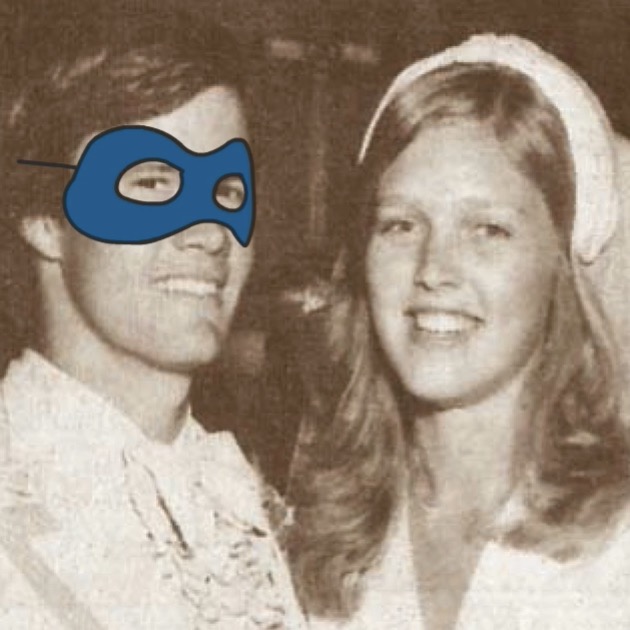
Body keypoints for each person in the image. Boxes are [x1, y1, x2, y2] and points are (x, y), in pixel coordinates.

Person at [287, 34, 630, 630]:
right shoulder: (310, 535)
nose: (434, 270)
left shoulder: (618, 543)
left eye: (487, 229)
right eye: (401, 225)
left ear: (561, 265)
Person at [0, 7, 305, 630]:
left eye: (227, 191)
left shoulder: (245, 497)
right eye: (152, 183)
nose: (210, 233)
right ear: (43, 218)